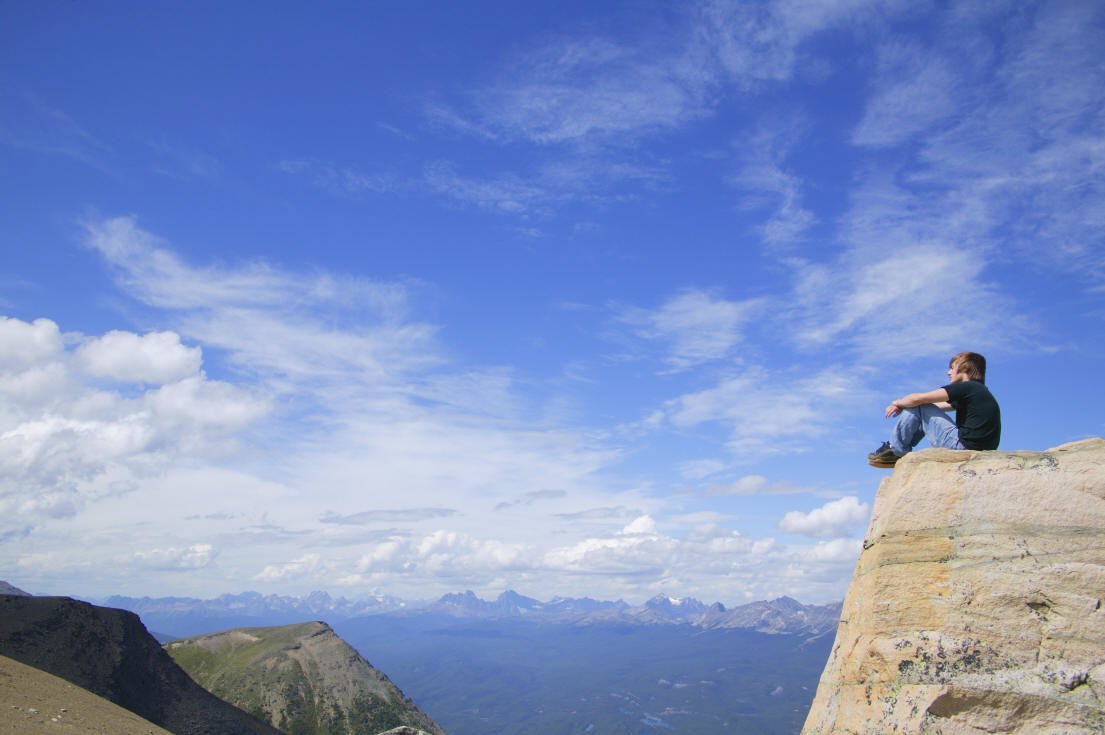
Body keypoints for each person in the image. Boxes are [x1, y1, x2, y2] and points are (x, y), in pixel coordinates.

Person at [868, 352, 1001, 468]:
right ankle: (898, 447)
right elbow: (934, 408)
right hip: (980, 449)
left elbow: (919, 400)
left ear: (964, 368)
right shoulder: (978, 392)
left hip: (963, 447)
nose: (948, 372)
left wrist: (897, 403)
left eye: (952, 368)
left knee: (919, 404)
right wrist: (907, 406)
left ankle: (896, 450)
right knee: (919, 406)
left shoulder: (967, 387)